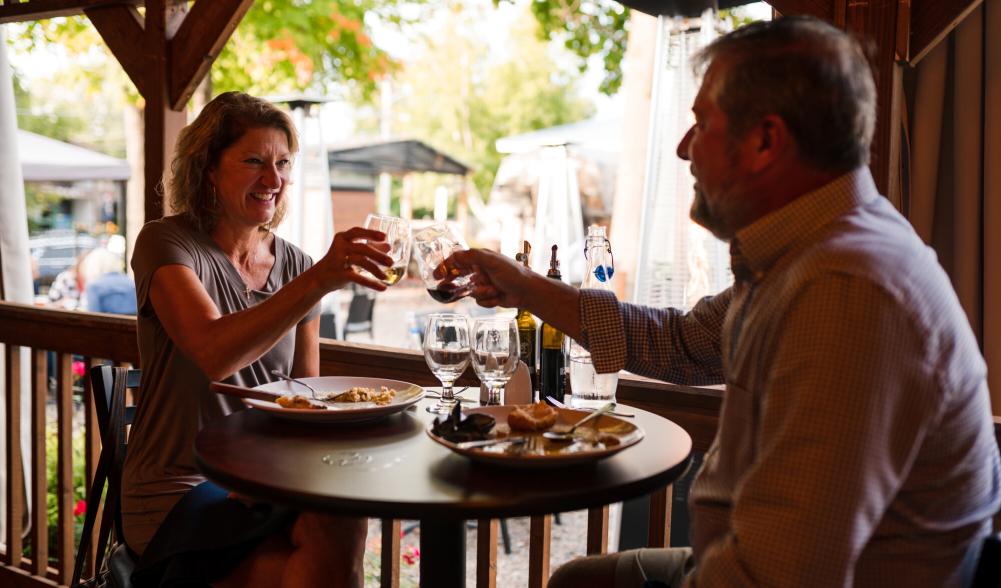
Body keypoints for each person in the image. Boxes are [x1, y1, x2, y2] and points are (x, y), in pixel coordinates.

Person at [441, 16, 1001, 588]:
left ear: (765, 141)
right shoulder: (811, 252)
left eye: (701, 123)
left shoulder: (848, 292)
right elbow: (682, 343)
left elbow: (777, 577)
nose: (684, 149)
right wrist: (527, 286)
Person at [122, 91, 393, 588]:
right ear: (207, 168)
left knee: (343, 519)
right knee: (316, 569)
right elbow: (212, 352)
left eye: (283, 164)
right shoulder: (166, 243)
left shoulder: (296, 264)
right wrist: (318, 282)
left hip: (264, 478)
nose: (274, 180)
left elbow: (306, 400)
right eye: (253, 161)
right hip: (178, 484)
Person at [79, 246, 137, 315]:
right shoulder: (131, 282)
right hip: (134, 324)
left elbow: (93, 317)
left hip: (109, 324)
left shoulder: (94, 286)